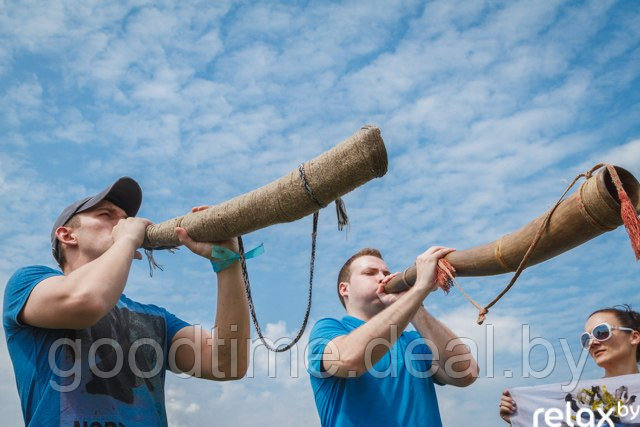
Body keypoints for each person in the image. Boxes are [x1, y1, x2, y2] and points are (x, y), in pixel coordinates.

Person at [3, 177, 251, 426]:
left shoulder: (157, 319)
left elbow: (227, 363)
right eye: (107, 214)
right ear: (67, 235)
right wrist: (127, 239)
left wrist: (227, 261)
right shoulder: (28, 283)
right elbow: (86, 302)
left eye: (125, 219)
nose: (122, 223)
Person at [307, 246, 479, 426]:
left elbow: (466, 373)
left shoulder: (413, 341)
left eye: (386, 272)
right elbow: (349, 361)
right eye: (370, 273)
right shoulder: (328, 329)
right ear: (344, 289)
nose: (382, 277)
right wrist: (420, 288)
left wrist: (414, 305)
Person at [499, 305, 640, 423]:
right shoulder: (578, 400)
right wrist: (520, 417)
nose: (592, 343)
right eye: (586, 339)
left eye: (601, 332)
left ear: (634, 337)